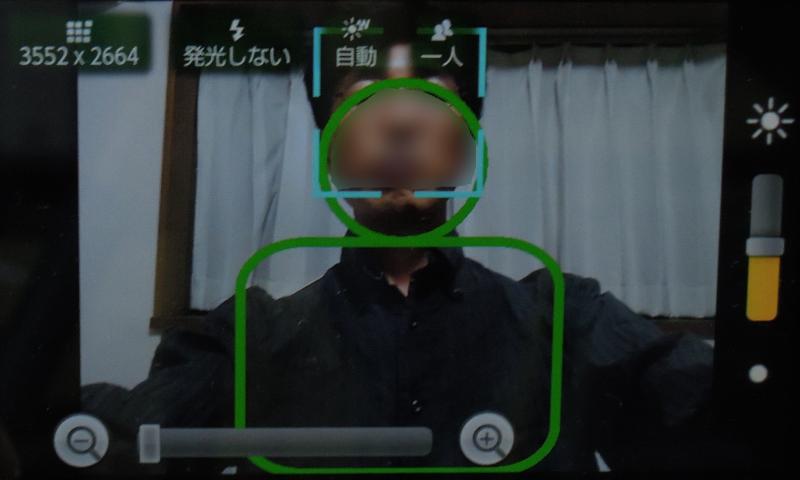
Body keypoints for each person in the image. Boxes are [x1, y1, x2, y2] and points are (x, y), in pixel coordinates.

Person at [83, 34, 729, 475]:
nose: (399, 123)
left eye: (432, 98)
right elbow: (131, 438)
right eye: (364, 98)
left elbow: (711, 416)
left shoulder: (566, 316)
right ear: (330, 155)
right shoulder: (252, 334)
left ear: (465, 149)